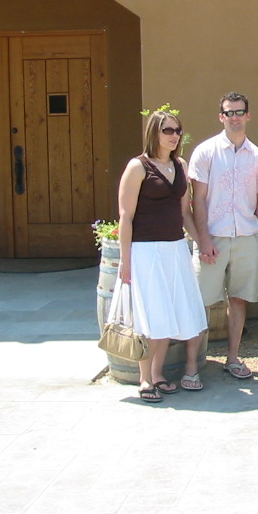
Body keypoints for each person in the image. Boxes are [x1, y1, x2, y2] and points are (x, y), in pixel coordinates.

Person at [115, 109, 207, 403]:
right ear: (154, 132)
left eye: (178, 130)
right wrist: (125, 260)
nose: (174, 136)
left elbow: (184, 211)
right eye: (168, 130)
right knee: (151, 315)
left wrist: (200, 241)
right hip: (146, 250)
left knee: (167, 312)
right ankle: (144, 379)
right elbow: (126, 216)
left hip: (175, 248)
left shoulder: (180, 165)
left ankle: (158, 375)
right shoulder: (138, 167)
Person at [188, 92, 258, 381]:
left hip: (247, 237)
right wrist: (204, 239)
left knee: (238, 299)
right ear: (221, 116)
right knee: (201, 303)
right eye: (229, 112)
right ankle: (192, 366)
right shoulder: (205, 152)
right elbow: (197, 200)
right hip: (214, 237)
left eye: (239, 112)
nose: (234, 117)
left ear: (248, 115)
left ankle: (233, 358)